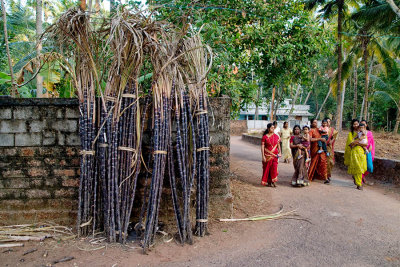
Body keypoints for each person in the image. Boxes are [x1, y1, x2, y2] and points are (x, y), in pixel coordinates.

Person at [347, 123, 368, 190]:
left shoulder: (365, 134)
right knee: (357, 167)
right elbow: (351, 144)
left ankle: (357, 181)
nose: (361, 129)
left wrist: (358, 142)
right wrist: (357, 141)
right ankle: (359, 183)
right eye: (360, 127)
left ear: (365, 128)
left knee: (361, 167)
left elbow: (365, 144)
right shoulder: (355, 135)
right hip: (355, 152)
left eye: (363, 127)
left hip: (361, 153)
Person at [308, 118, 329, 183]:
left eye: (316, 122)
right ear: (311, 123)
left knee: (323, 162)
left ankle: (325, 178)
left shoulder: (319, 129)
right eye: (314, 122)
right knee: (314, 162)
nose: (316, 124)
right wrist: (319, 139)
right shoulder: (311, 130)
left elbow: (325, 135)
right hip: (315, 148)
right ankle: (310, 176)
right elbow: (310, 139)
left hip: (321, 148)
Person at [261, 123, 281, 187]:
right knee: (267, 169)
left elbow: (278, 145)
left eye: (273, 128)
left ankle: (274, 181)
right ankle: (269, 182)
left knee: (274, 168)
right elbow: (262, 147)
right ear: (268, 128)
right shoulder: (264, 137)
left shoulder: (276, 136)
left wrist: (280, 152)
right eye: (271, 128)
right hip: (267, 155)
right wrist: (263, 156)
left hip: (275, 156)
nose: (273, 129)